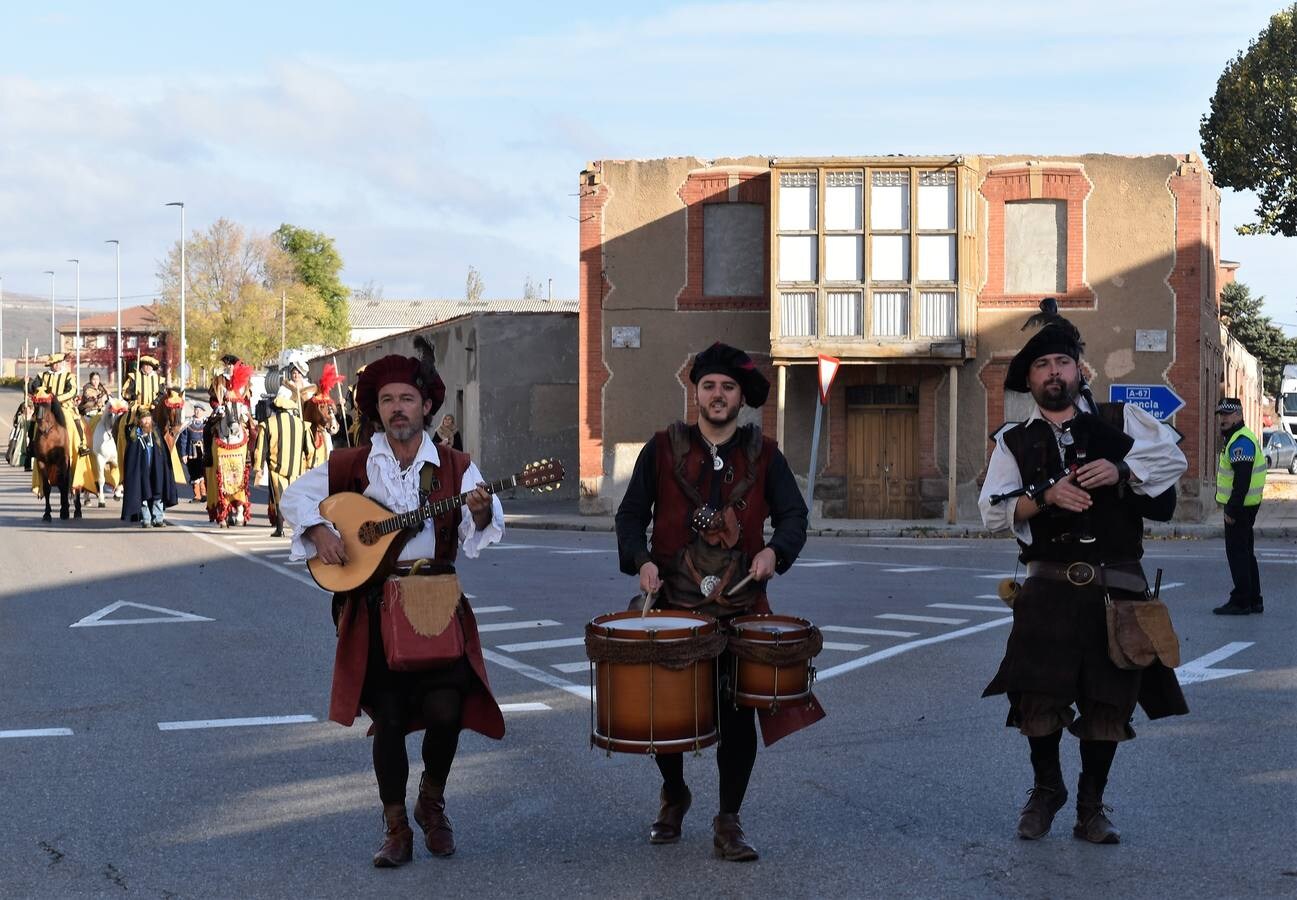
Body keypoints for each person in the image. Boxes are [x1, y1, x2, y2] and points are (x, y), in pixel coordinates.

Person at [279, 338, 506, 868]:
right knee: (391, 715)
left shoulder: (455, 465)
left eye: (407, 398)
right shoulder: (353, 465)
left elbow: (486, 524)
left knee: (447, 709)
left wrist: (477, 509)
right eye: (387, 400)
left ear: (426, 406)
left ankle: (432, 799)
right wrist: (318, 529)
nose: (398, 408)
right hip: (375, 606)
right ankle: (396, 825)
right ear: (376, 410)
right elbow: (294, 496)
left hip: (435, 602)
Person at [978, 298, 1189, 845]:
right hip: (1047, 589)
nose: (1054, 373)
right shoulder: (1013, 441)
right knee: (1037, 701)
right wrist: (1044, 496)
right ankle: (1048, 789)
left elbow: (1173, 462)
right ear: (1031, 380)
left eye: (1062, 363)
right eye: (1042, 367)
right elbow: (992, 510)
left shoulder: (1122, 422)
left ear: (1080, 370)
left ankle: (1092, 805)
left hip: (1118, 589)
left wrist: (1121, 468)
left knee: (1108, 704)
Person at [614, 341, 816, 863]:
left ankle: (728, 819)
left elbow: (794, 517)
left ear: (740, 396)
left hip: (740, 606)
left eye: (728, 387)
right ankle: (675, 792)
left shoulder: (766, 454)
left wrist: (776, 550)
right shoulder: (660, 448)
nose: (718, 395)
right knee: (666, 714)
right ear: (695, 392)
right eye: (709, 386)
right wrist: (642, 561)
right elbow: (630, 516)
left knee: (736, 717)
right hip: (674, 603)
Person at [1212, 398, 1266, 615]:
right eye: (1220, 415)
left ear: (1238, 415)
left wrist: (1231, 510)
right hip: (1246, 506)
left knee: (1238, 554)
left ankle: (1242, 601)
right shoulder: (1237, 438)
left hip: (1240, 508)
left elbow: (1241, 482)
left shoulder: (1241, 441)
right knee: (1246, 553)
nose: (1223, 419)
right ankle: (1254, 599)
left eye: (1227, 414)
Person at [255, 386, 309, 536]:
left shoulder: (267, 424)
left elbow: (261, 448)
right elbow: (309, 449)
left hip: (276, 468)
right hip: (297, 469)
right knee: (296, 498)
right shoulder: (302, 424)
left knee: (280, 498)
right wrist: (310, 465)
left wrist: (258, 467)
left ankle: (280, 529)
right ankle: (300, 526)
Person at [120, 410, 178, 527]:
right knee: (143, 494)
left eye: (148, 418)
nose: (147, 421)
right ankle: (146, 519)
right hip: (141, 472)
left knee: (158, 493)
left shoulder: (156, 433)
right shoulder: (134, 435)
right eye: (144, 419)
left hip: (156, 470)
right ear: (139, 421)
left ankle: (158, 518)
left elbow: (163, 452)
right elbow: (131, 457)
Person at [37, 353, 88, 456]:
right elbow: (37, 388)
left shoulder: (69, 376)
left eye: (58, 363)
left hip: (64, 405)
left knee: (73, 421)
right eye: (54, 364)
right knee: (36, 421)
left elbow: (72, 391)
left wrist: (56, 399)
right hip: (46, 405)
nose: (56, 366)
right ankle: (31, 447)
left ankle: (82, 445)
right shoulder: (43, 376)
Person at [177, 406, 208, 503]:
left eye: (200, 410)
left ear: (203, 411)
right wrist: (183, 454)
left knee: (203, 472)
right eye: (196, 410)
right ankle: (197, 495)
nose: (197, 412)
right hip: (191, 452)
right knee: (193, 472)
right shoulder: (188, 423)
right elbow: (183, 440)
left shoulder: (206, 423)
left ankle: (204, 493)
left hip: (203, 452)